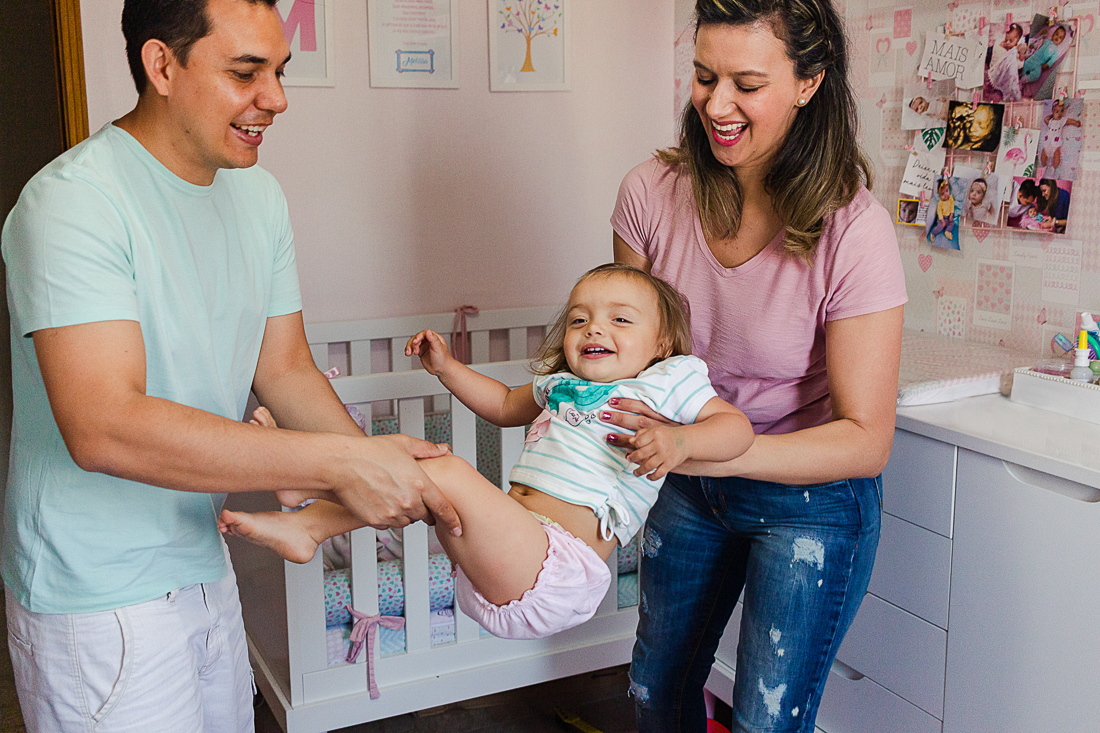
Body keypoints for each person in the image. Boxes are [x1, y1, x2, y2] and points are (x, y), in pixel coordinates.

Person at [1, 1, 461, 730]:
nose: (275, 99)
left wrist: (370, 460)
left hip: (203, 556)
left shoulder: (258, 195)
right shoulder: (70, 206)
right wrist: (343, 466)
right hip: (100, 594)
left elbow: (284, 369)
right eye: (247, 73)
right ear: (161, 66)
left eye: (279, 72)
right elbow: (104, 426)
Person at [608, 0, 907, 729]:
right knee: (655, 693)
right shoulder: (650, 193)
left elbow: (866, 437)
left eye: (746, 82)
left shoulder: (854, 230)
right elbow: (627, 361)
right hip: (688, 480)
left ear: (808, 83)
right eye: (705, 76)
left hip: (809, 494)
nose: (717, 104)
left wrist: (717, 451)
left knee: (765, 719)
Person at [220, 264, 755, 640]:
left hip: (557, 570)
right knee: (423, 480)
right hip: (506, 559)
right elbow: (501, 403)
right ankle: (309, 490)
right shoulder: (560, 386)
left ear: (661, 343)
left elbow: (735, 430)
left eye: (620, 319)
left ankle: (309, 523)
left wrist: (680, 441)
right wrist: (447, 368)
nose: (594, 327)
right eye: (578, 318)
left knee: (440, 467)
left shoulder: (666, 381)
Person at [1039, 99, 1082, 176]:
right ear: (1053, 112)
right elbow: (1045, 119)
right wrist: (1052, 115)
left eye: (1061, 111)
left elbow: (1069, 121)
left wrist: (1075, 122)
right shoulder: (1050, 121)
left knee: (1057, 158)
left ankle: (1053, 168)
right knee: (1043, 155)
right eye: (1057, 112)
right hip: (1047, 144)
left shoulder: (1062, 120)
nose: (1059, 114)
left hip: (1056, 145)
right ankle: (1044, 167)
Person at [987, 23, 1025, 102]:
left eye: (1011, 41)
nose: (1007, 43)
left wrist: (1021, 53)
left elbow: (1020, 62)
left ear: (1018, 40)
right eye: (1006, 40)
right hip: (999, 67)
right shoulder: (1002, 44)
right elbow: (999, 53)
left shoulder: (1016, 49)